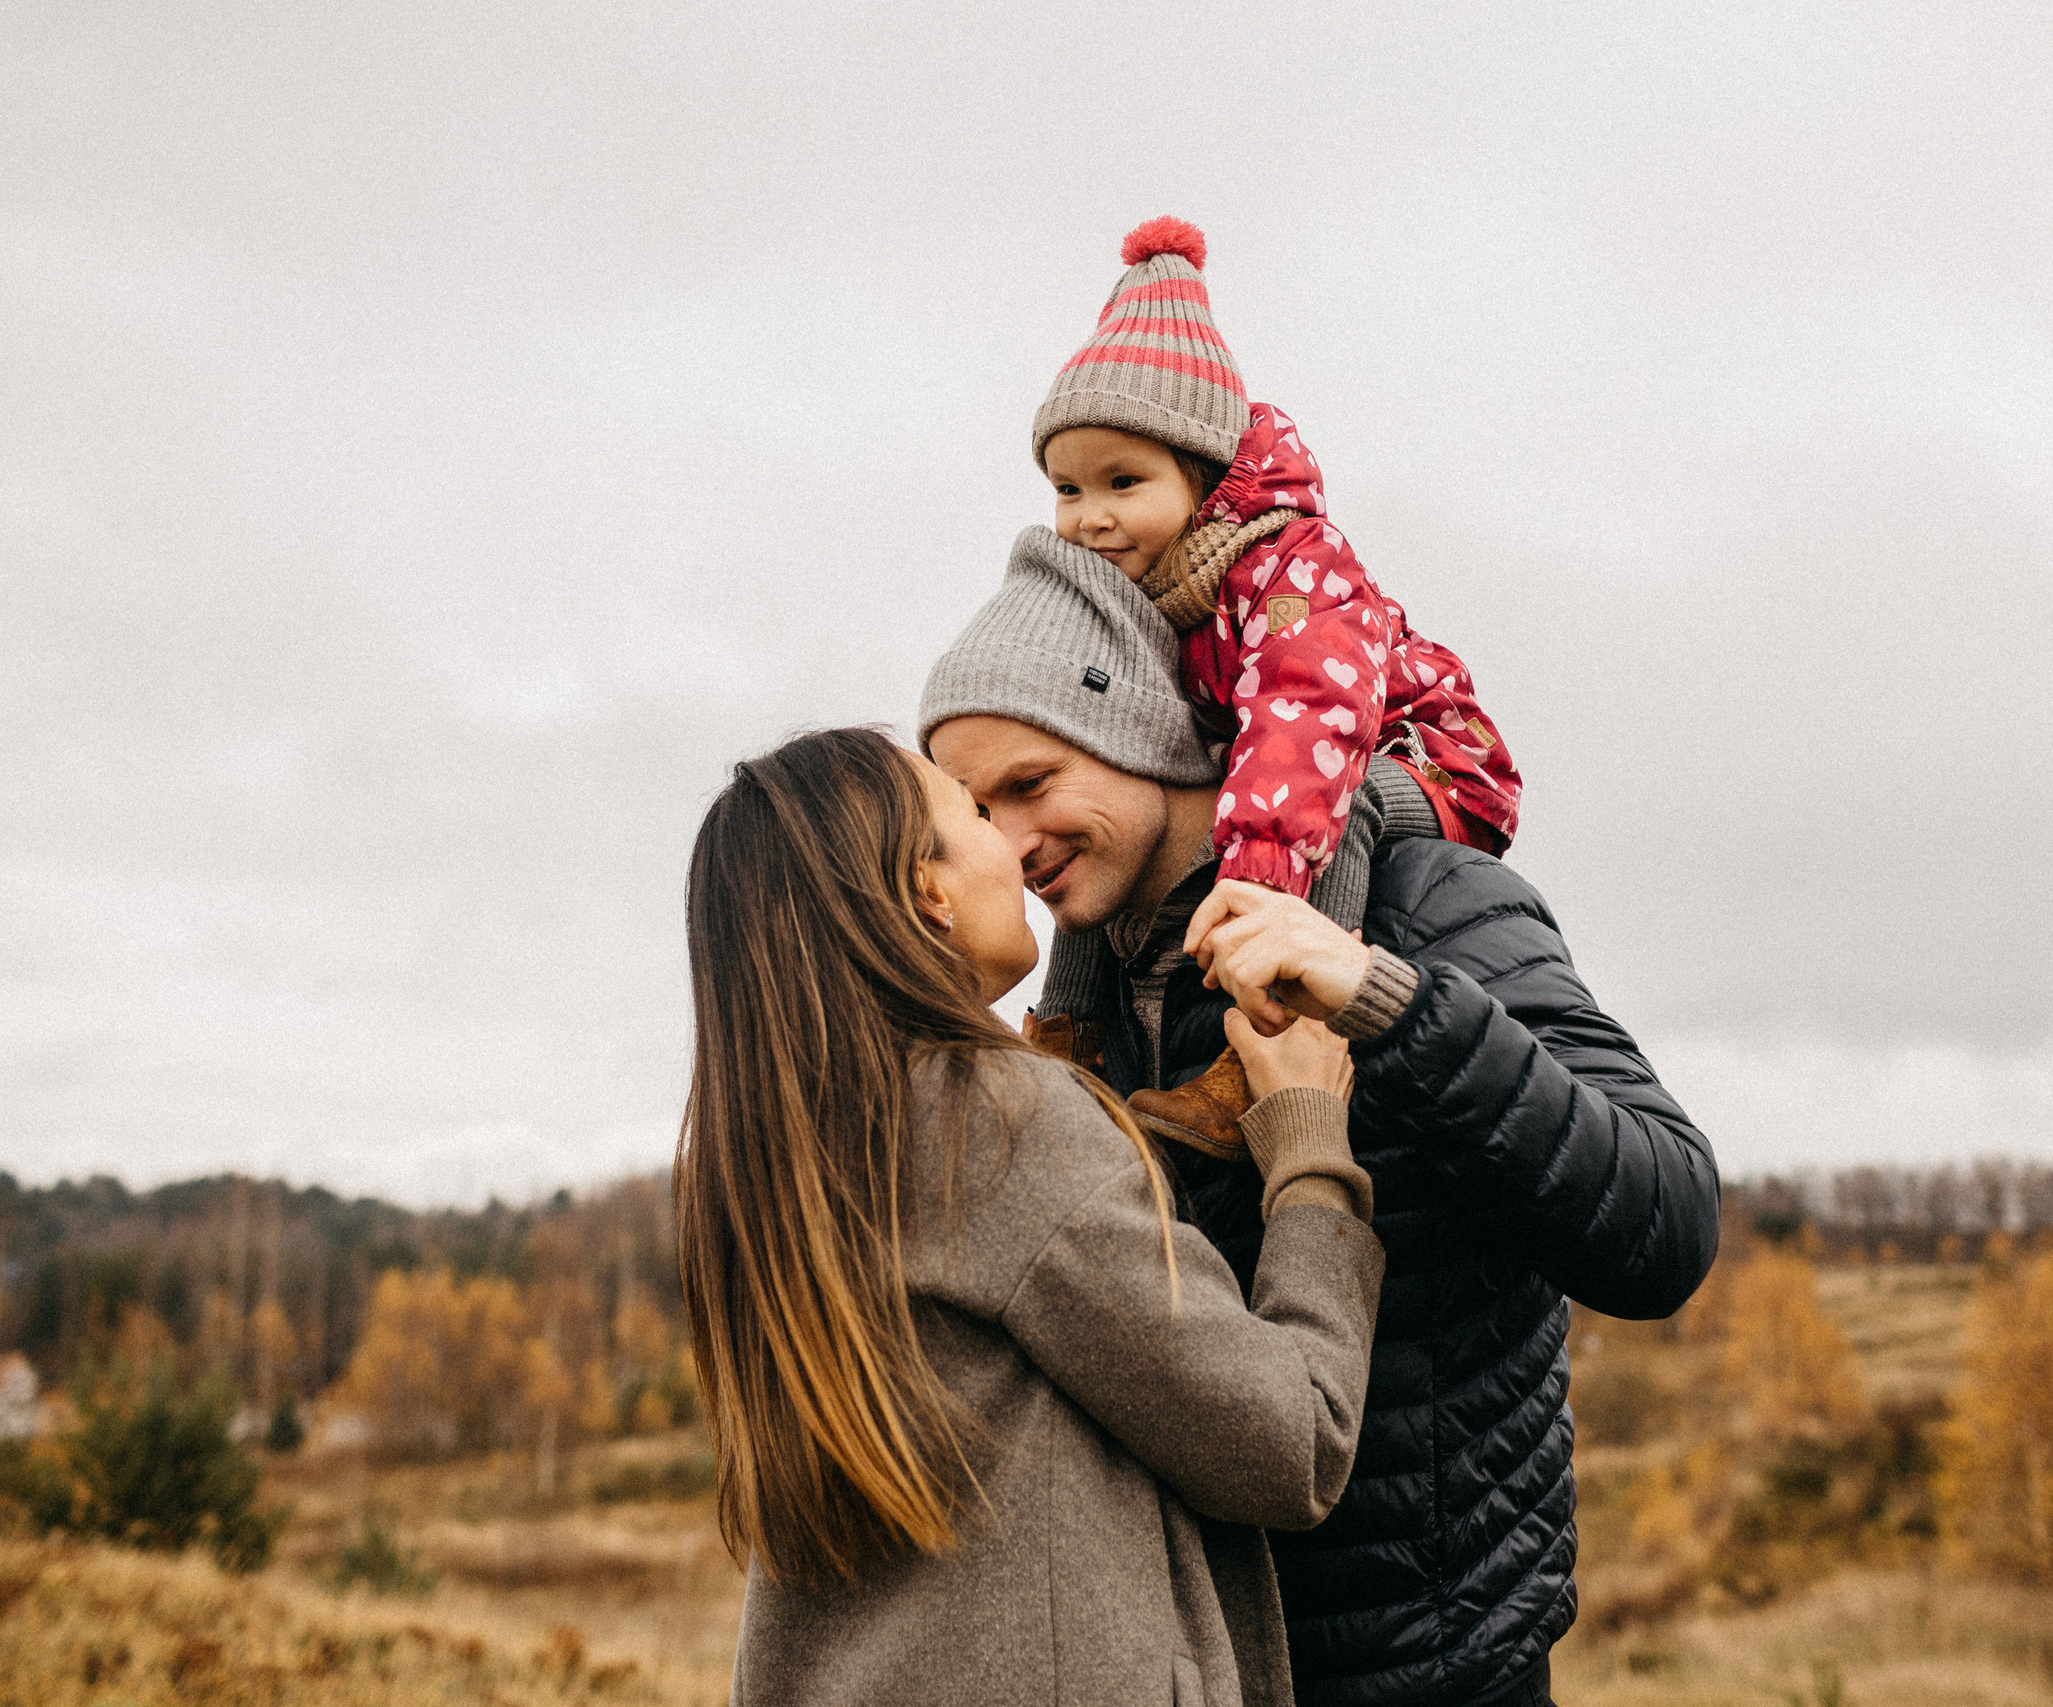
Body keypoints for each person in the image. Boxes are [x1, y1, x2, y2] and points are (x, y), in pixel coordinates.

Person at [919, 543, 1723, 1707]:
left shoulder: (1423, 902)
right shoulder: (1079, 1000)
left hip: (1432, 1663)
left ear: (1148, 730)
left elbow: (1662, 1228)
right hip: (1206, 1663)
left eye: (1034, 782)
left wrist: (1385, 1002)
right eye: (978, 807)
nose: (1009, 838)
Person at [676, 725, 1388, 1707]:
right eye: (971, 814)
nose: (1012, 846)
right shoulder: (995, 1121)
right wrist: (1309, 1149)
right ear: (926, 892)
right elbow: (1288, 1445)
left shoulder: (778, 1169)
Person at [1026, 217, 1524, 1162]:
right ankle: (1070, 1041)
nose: (1088, 518)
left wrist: (1255, 884)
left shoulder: (1290, 565)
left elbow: (1309, 720)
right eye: (1065, 489)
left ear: (1204, 474)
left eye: (1122, 482)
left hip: (1424, 756)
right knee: (1105, 825)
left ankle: (1270, 1035)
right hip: (1282, 765)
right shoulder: (1142, 588)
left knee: (1349, 806)